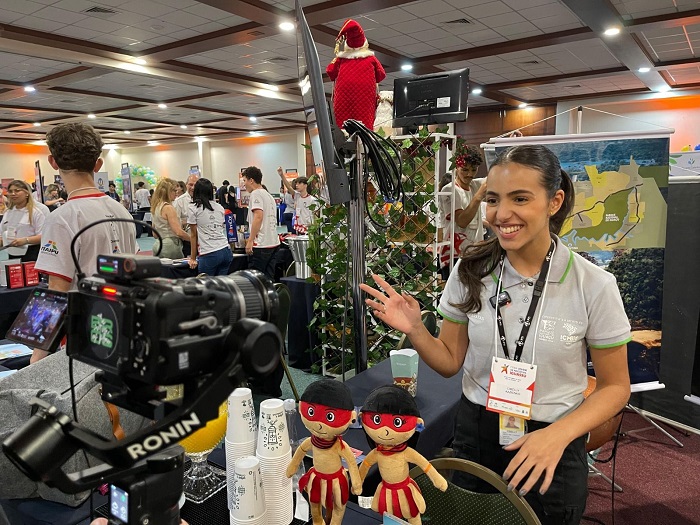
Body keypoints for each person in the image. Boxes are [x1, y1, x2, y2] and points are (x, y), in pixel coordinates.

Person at [360, 144, 631, 525]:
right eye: (492, 199)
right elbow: (450, 362)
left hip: (553, 436)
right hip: (477, 429)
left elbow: (615, 386)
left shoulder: (594, 285)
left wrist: (558, 436)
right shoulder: (470, 271)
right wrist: (417, 330)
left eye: (520, 198)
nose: (502, 214)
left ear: (554, 201)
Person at [33, 122, 137, 363]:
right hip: (122, 327)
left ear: (53, 162)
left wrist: (38, 355)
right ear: (98, 164)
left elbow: (57, 292)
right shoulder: (122, 211)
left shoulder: (62, 217)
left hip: (85, 337)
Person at [437, 142, 487, 280]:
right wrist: (478, 197)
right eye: (465, 169)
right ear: (456, 167)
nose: (470, 174)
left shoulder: (475, 185)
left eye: (474, 169)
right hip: (454, 255)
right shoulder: (449, 190)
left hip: (474, 253)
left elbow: (498, 175)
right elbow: (462, 221)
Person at [187, 178, 232, 276]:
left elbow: (194, 235)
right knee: (221, 287)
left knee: (206, 288)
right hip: (226, 251)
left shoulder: (193, 208)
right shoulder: (219, 207)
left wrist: (193, 258)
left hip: (209, 253)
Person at [243, 166, 280, 279]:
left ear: (251, 180)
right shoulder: (268, 195)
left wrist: (250, 240)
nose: (244, 184)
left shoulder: (256, 194)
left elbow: (258, 217)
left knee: (256, 281)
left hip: (261, 244)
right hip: (273, 242)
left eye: (244, 181)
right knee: (268, 280)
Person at [0, 180, 46, 262]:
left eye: (17, 191)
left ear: (27, 193)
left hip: (32, 254)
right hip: (11, 254)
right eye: (10, 191)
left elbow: (43, 236)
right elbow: (2, 232)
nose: (13, 194)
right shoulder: (8, 213)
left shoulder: (36, 213)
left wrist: (25, 240)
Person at [150, 178, 190, 259]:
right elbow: (178, 232)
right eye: (174, 191)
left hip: (158, 245)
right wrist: (193, 240)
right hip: (170, 246)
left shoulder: (156, 207)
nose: (177, 193)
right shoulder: (168, 208)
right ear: (167, 192)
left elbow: (154, 234)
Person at [277, 168, 317, 234]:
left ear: (305, 185)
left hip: (309, 228)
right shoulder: (297, 196)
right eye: (296, 183)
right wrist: (282, 175)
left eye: (299, 183)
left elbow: (315, 216)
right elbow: (289, 187)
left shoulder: (312, 200)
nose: (296, 185)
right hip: (298, 227)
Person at [174, 174, 198, 257]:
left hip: (203, 240)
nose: (193, 187)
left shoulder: (203, 200)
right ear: (186, 184)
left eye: (196, 185)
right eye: (191, 184)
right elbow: (175, 223)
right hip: (187, 241)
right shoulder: (179, 201)